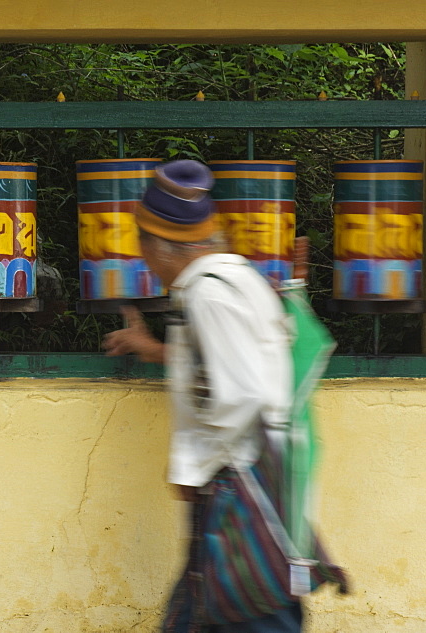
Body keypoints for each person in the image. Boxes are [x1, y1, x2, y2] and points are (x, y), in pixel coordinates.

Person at [103, 160, 302, 632]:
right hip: (258, 481)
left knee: (251, 613)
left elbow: (244, 389)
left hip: (236, 489)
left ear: (161, 246)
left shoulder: (209, 297)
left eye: (142, 245)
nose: (142, 259)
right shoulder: (239, 281)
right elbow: (230, 364)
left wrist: (196, 466)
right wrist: (156, 350)